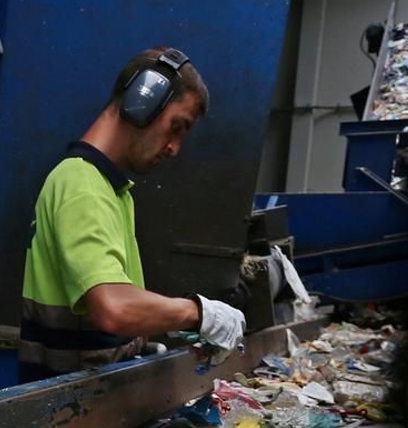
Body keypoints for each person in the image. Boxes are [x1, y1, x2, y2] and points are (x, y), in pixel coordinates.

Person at [18, 47, 247, 381]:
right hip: (67, 416)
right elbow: (114, 308)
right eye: (176, 127)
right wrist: (199, 313)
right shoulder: (82, 184)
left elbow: (110, 319)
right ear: (142, 101)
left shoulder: (111, 190)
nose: (174, 148)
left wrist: (150, 343)